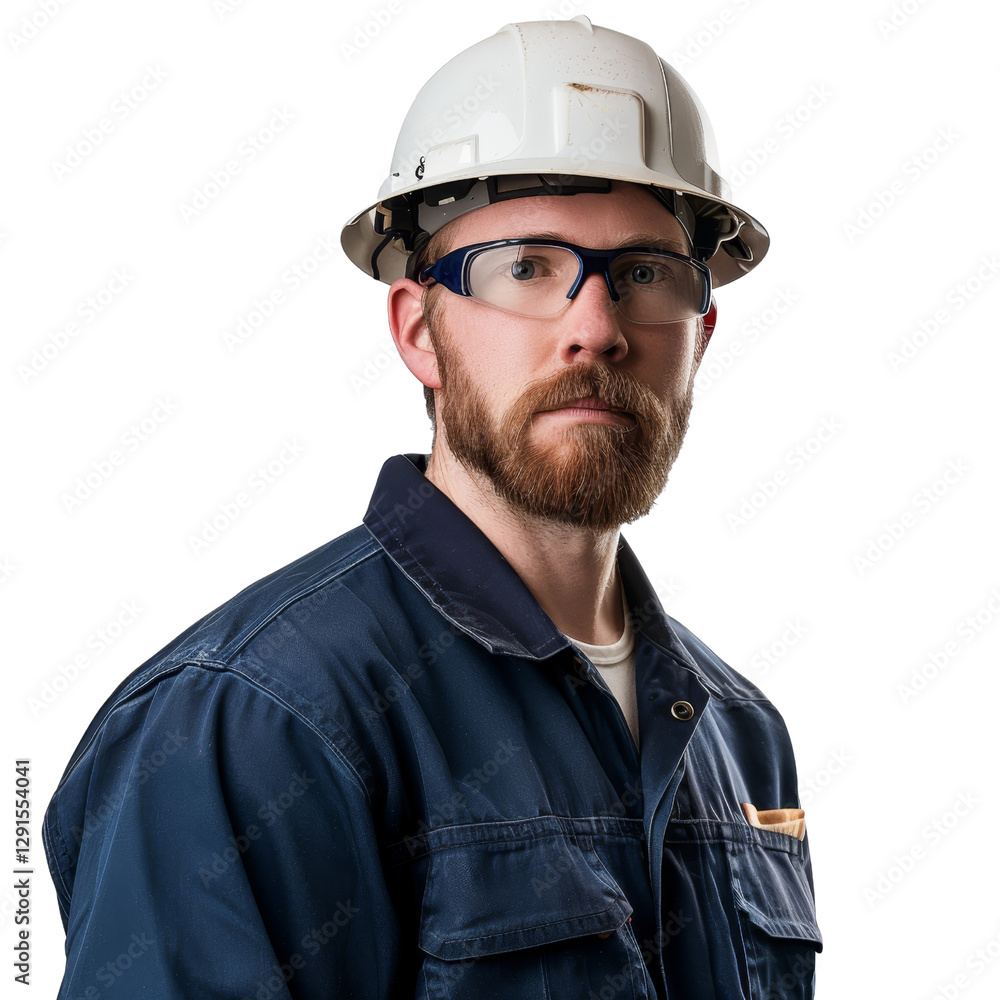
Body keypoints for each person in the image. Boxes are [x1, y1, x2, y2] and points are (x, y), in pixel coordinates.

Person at [43, 16, 821, 999]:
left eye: (642, 275)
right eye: (526, 269)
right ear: (419, 331)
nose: (595, 328)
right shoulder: (251, 724)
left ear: (698, 334)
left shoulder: (738, 734)